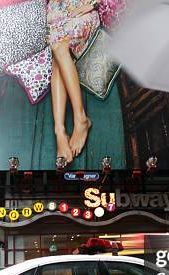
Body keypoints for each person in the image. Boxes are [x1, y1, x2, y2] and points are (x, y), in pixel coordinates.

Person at [48, 0, 100, 163]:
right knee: (57, 53)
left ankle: (80, 118)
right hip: (57, 16)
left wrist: (93, 3)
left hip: (81, 11)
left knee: (58, 48)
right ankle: (60, 130)